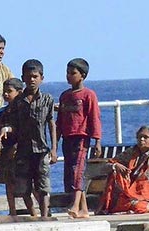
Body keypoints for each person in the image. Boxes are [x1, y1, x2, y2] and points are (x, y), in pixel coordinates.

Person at [0, 59, 58, 217]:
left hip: (42, 149)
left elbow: (51, 124)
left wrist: (53, 149)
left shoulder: (47, 100)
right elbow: (13, 124)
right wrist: (7, 129)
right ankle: (33, 214)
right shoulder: (18, 101)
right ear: (23, 78)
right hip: (24, 150)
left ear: (41, 78)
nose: (32, 79)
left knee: (43, 185)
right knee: (23, 187)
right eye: (28, 76)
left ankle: (45, 216)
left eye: (35, 76)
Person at [56, 58, 102, 218]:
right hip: (67, 138)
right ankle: (84, 208)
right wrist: (55, 142)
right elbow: (60, 120)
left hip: (81, 138)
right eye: (67, 73)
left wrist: (97, 140)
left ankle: (75, 205)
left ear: (82, 75)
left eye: (72, 73)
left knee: (78, 170)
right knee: (70, 171)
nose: (68, 76)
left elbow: (94, 117)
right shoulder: (65, 96)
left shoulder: (88, 95)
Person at [0, 78, 37, 216]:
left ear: (19, 92)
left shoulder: (24, 110)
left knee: (26, 184)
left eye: (9, 91)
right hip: (7, 149)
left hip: (22, 150)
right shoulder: (3, 113)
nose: (6, 94)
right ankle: (12, 210)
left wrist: (17, 145)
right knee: (9, 181)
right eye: (4, 92)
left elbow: (25, 130)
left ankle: (37, 212)